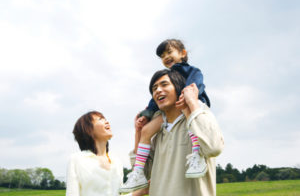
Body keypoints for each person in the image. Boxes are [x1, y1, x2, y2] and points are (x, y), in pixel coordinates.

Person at [120, 39, 211, 192]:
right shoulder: (166, 76)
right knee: (146, 131)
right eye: (162, 56)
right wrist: (147, 115)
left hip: (189, 105)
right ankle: (138, 172)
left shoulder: (191, 71)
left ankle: (196, 155)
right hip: (170, 111)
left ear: (183, 53)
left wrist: (189, 99)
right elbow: (153, 102)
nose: (166, 57)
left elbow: (197, 86)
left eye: (169, 52)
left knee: (191, 124)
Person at [129, 69, 224, 195]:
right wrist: (139, 133)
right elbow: (143, 174)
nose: (158, 90)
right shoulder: (156, 131)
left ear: (179, 89)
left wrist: (192, 103)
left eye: (164, 84)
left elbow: (214, 148)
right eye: (154, 88)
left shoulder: (200, 115)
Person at [66, 111, 146, 196]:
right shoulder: (77, 160)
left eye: (105, 119)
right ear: (88, 129)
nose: (107, 122)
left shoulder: (116, 161)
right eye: (100, 119)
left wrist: (142, 191)